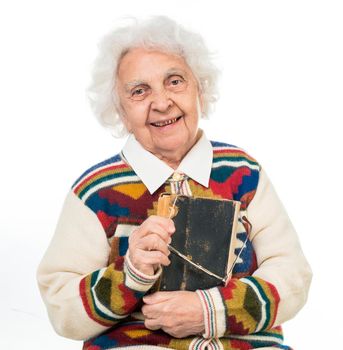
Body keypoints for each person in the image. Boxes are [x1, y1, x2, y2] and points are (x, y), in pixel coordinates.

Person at [37, 16, 312, 350]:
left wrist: (213, 310)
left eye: (175, 81)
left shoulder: (243, 171)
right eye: (139, 91)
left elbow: (292, 272)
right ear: (120, 111)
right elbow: (61, 307)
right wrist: (130, 275)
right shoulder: (96, 191)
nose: (162, 102)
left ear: (200, 87)